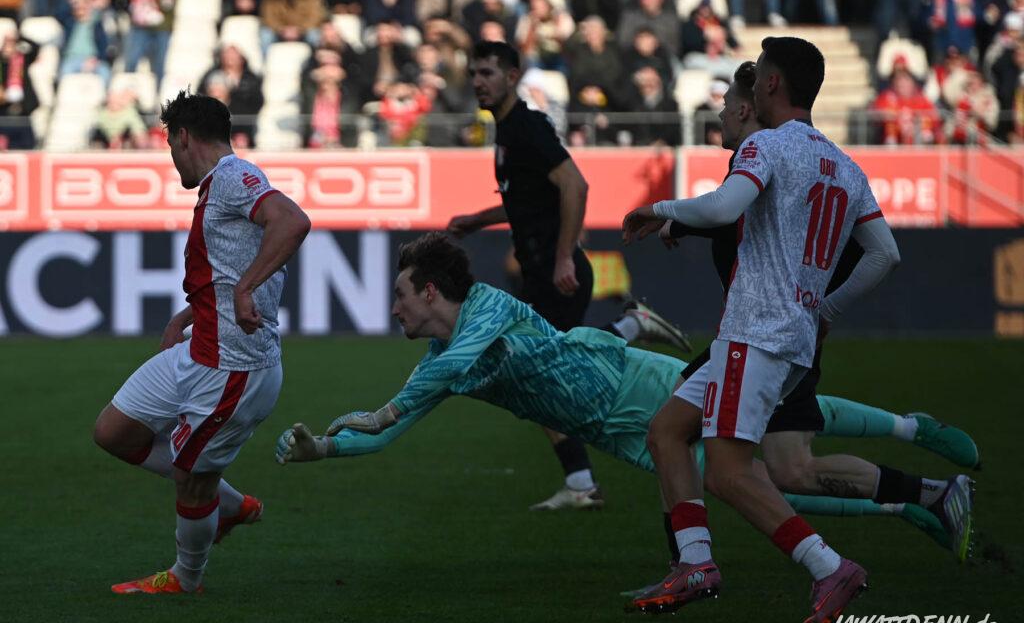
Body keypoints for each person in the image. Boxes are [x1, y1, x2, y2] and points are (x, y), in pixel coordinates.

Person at [272, 233, 968, 566]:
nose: (392, 307)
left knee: (787, 430)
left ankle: (910, 427)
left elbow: (439, 376)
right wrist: (324, 448)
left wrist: (386, 407)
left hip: (637, 384)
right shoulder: (439, 365)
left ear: (430, 291)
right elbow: (391, 433)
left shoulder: (485, 307)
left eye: (399, 294)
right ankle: (917, 502)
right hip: (620, 433)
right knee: (763, 484)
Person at [621, 37, 972, 623]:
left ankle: (829, 566)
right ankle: (695, 562)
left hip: (756, 331)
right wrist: (826, 310)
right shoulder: (844, 165)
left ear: (771, 84)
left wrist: (661, 208)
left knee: (730, 472)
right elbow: (885, 254)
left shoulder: (768, 144)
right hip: (788, 335)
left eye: (759, 76)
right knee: (667, 431)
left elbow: (724, 208)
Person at [447, 41, 688, 511]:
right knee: (542, 376)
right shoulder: (507, 131)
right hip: (540, 272)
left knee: (539, 370)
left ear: (512, 76)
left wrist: (563, 258)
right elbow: (527, 200)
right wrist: (478, 220)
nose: (478, 81)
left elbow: (575, 186)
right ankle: (580, 482)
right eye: (473, 73)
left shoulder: (527, 126)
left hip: (555, 271)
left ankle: (630, 327)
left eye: (487, 73)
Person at [92, 91, 311, 594]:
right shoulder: (220, 185)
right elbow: (231, 266)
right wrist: (187, 314)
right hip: (198, 350)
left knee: (192, 479)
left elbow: (293, 221)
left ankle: (185, 578)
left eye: (171, 145)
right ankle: (231, 506)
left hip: (234, 366)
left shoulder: (232, 176)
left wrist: (245, 289)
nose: (172, 158)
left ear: (184, 137)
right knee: (113, 432)